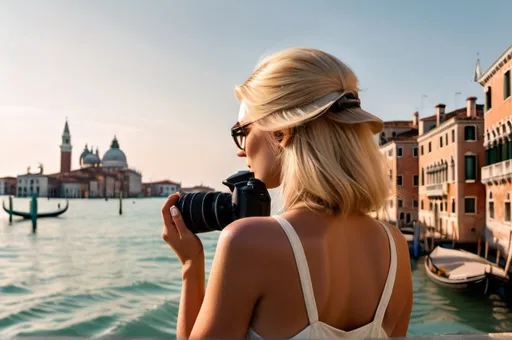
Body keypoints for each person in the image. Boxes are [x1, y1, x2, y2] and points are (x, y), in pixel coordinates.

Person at [161, 47, 413, 339]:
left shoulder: (248, 241)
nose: (240, 150)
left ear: (282, 132)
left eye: (242, 131)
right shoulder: (395, 247)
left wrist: (191, 265)